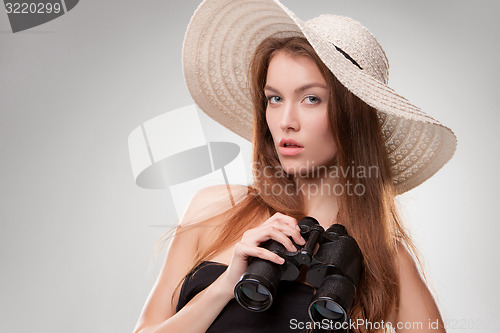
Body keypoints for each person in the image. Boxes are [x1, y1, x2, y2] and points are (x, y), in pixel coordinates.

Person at [133, 0, 457, 332]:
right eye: (275, 98)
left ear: (351, 117)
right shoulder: (214, 208)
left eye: (311, 99)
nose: (286, 122)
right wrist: (227, 284)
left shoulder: (384, 258)